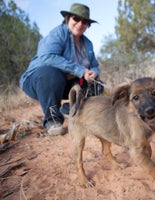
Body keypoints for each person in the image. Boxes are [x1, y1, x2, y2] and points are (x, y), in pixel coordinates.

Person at [19, 3, 103, 136]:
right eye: (76, 18)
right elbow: (47, 57)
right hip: (39, 81)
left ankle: (70, 109)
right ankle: (52, 120)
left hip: (63, 84)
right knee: (51, 74)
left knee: (97, 85)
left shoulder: (87, 44)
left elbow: (94, 65)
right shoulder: (58, 33)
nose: (80, 24)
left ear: (88, 25)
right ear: (68, 19)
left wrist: (94, 72)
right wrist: (80, 70)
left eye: (85, 21)